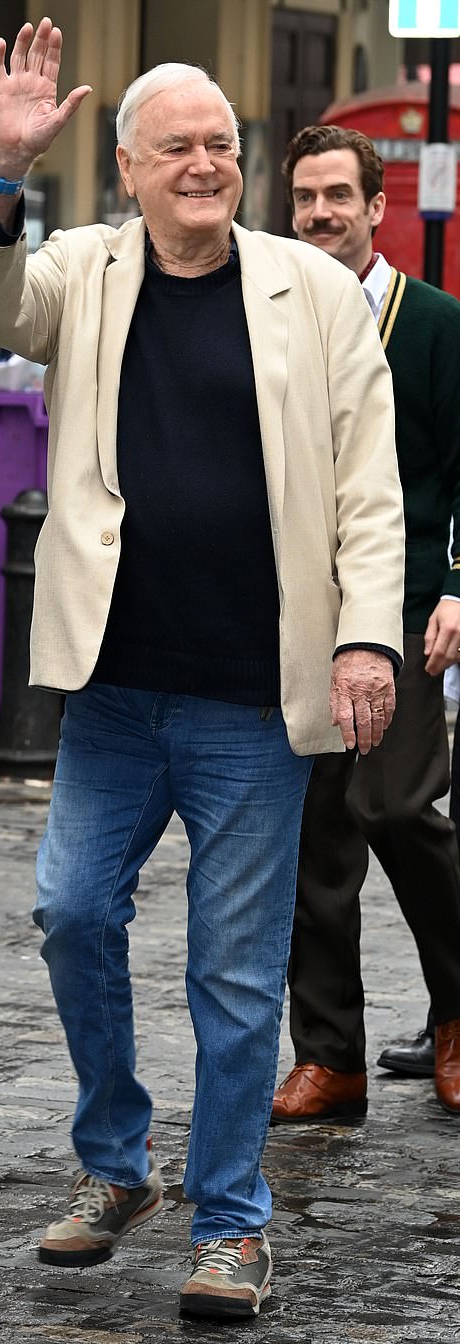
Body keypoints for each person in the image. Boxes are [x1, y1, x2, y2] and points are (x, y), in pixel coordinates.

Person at [0, 21, 404, 1320]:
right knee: (73, 912)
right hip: (113, 693)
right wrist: (1, 167)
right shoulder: (79, 270)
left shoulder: (306, 292)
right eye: (177, 149)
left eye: (221, 145)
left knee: (233, 970)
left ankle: (230, 1223)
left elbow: (366, 489)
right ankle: (114, 1165)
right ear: (129, 167)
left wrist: (364, 630)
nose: (204, 165)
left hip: (249, 704)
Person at [272, 124, 460, 1125]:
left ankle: (458, 1014)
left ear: (374, 206)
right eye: (303, 198)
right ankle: (330, 1056)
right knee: (314, 837)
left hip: (411, 610)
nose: (318, 215)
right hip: (302, 616)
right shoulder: (272, 324)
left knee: (393, 808)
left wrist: (458, 588)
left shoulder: (431, 324)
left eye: (336, 196)